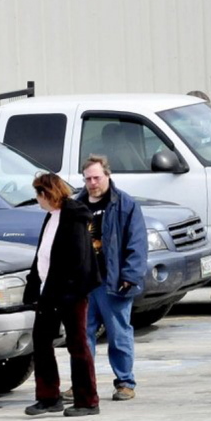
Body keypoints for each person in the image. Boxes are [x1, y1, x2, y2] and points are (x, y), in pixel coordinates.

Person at [24, 173, 102, 417]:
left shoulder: (73, 218)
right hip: (49, 290)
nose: (37, 200)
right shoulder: (51, 217)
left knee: (77, 345)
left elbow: (77, 260)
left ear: (47, 194)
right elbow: (43, 255)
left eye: (39, 194)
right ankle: (48, 397)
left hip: (70, 292)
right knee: (41, 341)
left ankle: (87, 400)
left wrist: (67, 291)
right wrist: (34, 284)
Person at [76, 155, 148, 402]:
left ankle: (125, 382)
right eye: (88, 178)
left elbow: (137, 243)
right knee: (82, 335)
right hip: (85, 285)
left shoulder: (125, 204)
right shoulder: (78, 205)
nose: (93, 183)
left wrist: (130, 275)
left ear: (107, 175)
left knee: (119, 334)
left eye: (97, 177)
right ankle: (83, 384)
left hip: (113, 282)